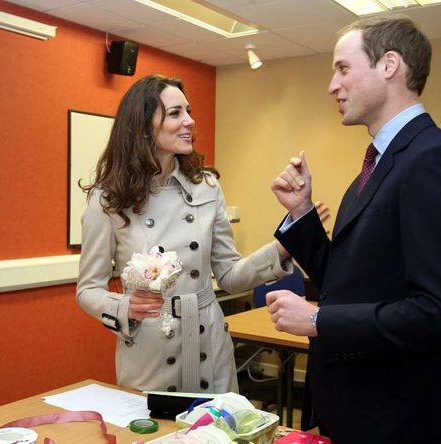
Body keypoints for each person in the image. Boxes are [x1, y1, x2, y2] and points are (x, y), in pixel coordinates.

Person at [268, 16, 441, 443]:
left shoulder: (434, 158)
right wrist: (303, 212)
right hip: (356, 409)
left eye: (343, 68)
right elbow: (345, 279)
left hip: (397, 421)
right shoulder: (379, 165)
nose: (332, 85)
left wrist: (319, 320)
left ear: (389, 65)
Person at [77, 74, 296, 394]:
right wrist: (126, 307)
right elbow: (88, 289)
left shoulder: (206, 187)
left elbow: (230, 274)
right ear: (143, 126)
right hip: (152, 350)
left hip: (209, 343)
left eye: (189, 111)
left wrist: (281, 248)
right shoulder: (108, 199)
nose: (190, 121)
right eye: (176, 113)